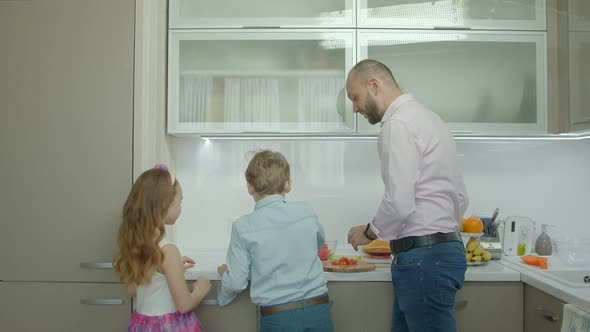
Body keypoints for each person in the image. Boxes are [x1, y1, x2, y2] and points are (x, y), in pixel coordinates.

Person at [345, 59, 469, 332]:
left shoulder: (397, 123)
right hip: (441, 252)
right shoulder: (431, 119)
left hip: (423, 260)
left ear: (374, 85)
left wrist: (369, 232)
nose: (354, 108)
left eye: (355, 97)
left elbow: (400, 201)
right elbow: (460, 197)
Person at [216, 150, 334, 332]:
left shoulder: (243, 227)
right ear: (288, 184)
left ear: (249, 186)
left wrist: (225, 274)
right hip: (318, 309)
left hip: (278, 318)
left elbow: (236, 282)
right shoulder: (306, 211)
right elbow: (318, 244)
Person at [113, 164, 211, 331]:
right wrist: (200, 291)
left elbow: (132, 291)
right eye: (179, 201)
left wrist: (172, 268)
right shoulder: (168, 250)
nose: (180, 207)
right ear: (164, 204)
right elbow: (184, 305)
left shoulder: (137, 243)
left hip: (141, 324)